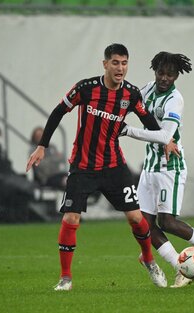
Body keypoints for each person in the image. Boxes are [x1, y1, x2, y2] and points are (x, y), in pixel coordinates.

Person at [26, 43, 169, 291]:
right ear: (105, 64)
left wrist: (168, 141)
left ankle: (147, 259)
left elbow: (149, 122)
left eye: (124, 63)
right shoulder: (86, 88)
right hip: (83, 165)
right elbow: (59, 112)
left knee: (136, 218)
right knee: (71, 218)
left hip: (114, 165)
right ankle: (65, 278)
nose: (120, 68)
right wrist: (42, 145)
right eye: (115, 62)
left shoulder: (131, 95)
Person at [121, 52, 194, 288]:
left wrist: (127, 130)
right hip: (150, 166)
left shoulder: (175, 100)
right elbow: (129, 104)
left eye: (170, 74)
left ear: (176, 76)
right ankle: (179, 268)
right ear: (155, 71)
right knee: (143, 225)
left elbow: (165, 136)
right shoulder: (148, 89)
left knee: (167, 222)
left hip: (170, 166)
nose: (164, 78)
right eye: (161, 72)